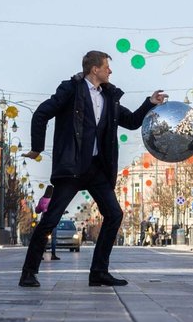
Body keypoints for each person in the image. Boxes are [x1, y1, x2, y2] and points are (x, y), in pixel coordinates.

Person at [18, 50, 166, 288]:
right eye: (107, 66)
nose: (110, 70)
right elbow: (41, 114)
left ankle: (99, 271)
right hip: (72, 167)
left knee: (114, 214)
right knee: (51, 219)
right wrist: (36, 148)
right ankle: (28, 272)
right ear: (94, 69)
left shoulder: (109, 97)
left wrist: (150, 103)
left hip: (98, 168)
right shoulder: (70, 90)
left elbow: (130, 122)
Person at [35, 185, 59, 260]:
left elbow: (37, 210)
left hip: (44, 219)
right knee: (53, 238)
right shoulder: (54, 199)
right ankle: (53, 255)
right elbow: (57, 209)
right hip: (53, 219)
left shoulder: (41, 199)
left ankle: (41, 255)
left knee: (43, 237)